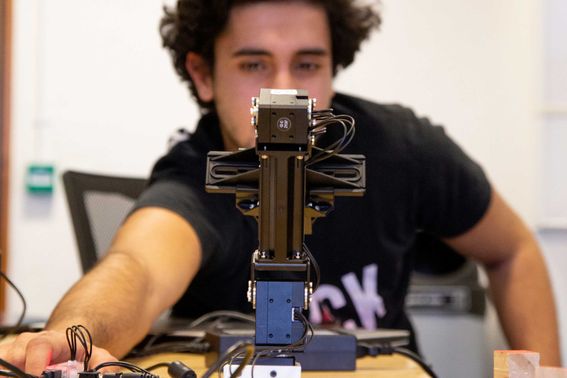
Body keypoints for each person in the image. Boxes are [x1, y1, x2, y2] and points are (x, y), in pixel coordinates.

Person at [1, 0, 561, 374]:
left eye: (308, 64)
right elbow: (138, 272)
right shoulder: (197, 176)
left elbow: (512, 249)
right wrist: (70, 335)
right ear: (202, 74)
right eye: (254, 64)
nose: (286, 93)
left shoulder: (399, 146)